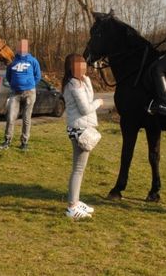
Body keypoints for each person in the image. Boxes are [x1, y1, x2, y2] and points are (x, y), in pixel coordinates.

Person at [62, 54, 103, 219]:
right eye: (80, 65)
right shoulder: (73, 85)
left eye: (84, 65)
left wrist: (86, 80)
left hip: (82, 127)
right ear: (72, 67)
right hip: (80, 129)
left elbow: (89, 96)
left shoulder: (78, 82)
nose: (83, 68)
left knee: (79, 169)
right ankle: (72, 206)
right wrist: (99, 104)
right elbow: (86, 108)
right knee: (78, 170)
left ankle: (76, 202)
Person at [0, 39, 41, 151]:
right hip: (15, 93)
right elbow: (8, 76)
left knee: (26, 119)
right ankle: (7, 140)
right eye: (20, 47)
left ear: (27, 48)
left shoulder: (33, 61)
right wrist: (15, 84)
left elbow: (38, 76)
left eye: (24, 47)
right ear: (17, 48)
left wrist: (29, 85)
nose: (22, 49)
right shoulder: (12, 61)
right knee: (10, 117)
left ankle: (24, 142)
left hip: (29, 93)